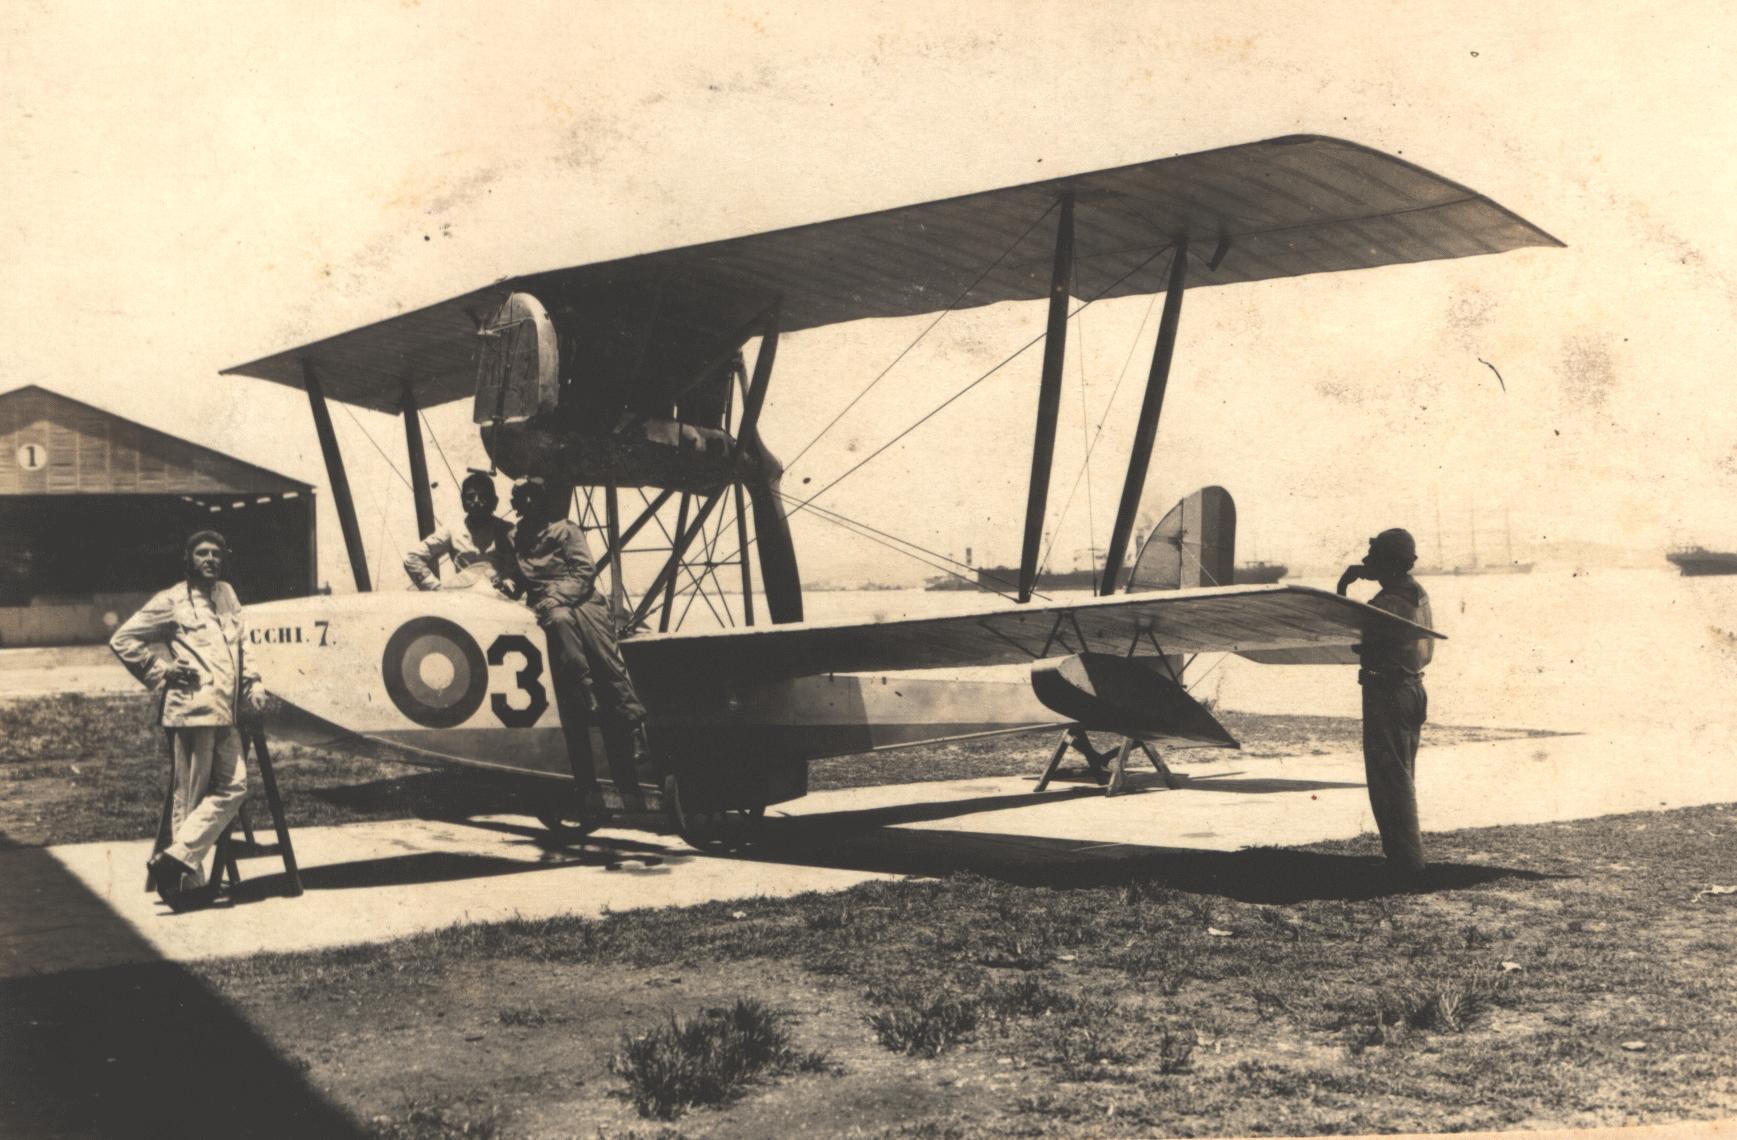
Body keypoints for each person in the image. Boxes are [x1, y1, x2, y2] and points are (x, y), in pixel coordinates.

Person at [111, 530, 269, 911]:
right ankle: (185, 888)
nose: (210, 559)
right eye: (202, 553)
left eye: (216, 553)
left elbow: (241, 646)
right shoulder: (171, 601)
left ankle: (174, 861)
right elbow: (123, 638)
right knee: (191, 797)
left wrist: (254, 682)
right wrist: (162, 671)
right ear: (188, 559)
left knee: (234, 787)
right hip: (191, 710)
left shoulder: (227, 594)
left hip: (226, 711)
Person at [509, 477, 650, 785]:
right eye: (521, 497)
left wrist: (557, 596)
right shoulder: (515, 536)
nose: (527, 502)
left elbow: (585, 572)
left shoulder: (566, 530)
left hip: (582, 600)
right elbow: (520, 576)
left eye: (533, 496)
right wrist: (510, 585)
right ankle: (586, 692)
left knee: (608, 661)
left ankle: (636, 729)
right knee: (559, 623)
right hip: (549, 605)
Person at [1336, 527, 1434, 881]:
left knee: (1390, 780)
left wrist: (1343, 588)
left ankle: (1406, 863)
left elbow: (1355, 632)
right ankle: (1405, 858)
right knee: (1401, 775)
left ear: (1387, 562)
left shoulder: (1389, 602)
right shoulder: (1416, 593)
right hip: (1411, 688)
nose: (1365, 561)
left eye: (1373, 555)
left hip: (1388, 692)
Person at [403, 471, 518, 597]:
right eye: (470, 497)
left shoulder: (508, 530)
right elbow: (412, 558)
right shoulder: (453, 530)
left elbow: (527, 566)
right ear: (463, 502)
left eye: (483, 496)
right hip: (465, 600)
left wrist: (510, 579)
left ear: (494, 501)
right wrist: (437, 590)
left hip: (501, 601)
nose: (477, 501)